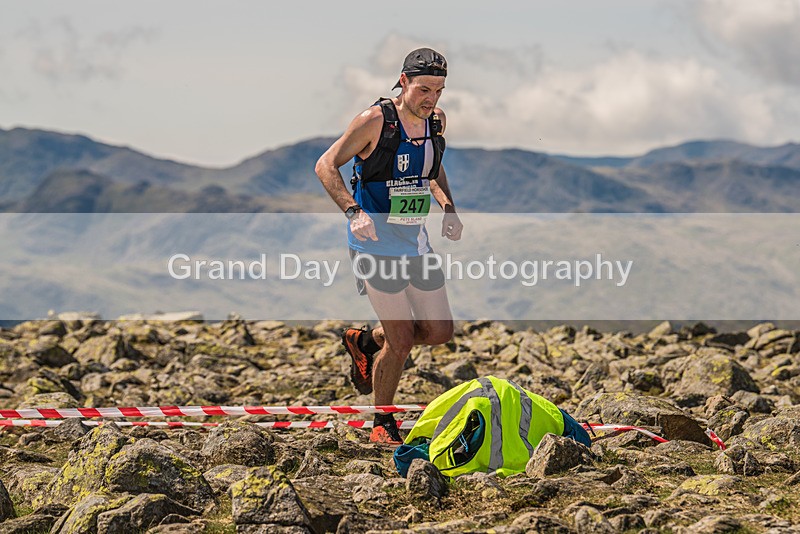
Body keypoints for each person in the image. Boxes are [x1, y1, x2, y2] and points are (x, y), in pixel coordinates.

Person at [315, 48, 463, 445]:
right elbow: (326, 165)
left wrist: (448, 207)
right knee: (401, 340)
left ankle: (366, 341)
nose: (431, 98)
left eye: (439, 89)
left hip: (415, 244)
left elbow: (430, 169)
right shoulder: (374, 121)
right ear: (403, 81)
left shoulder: (436, 122)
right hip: (375, 247)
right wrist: (353, 211)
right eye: (423, 88)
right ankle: (382, 422)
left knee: (438, 331)